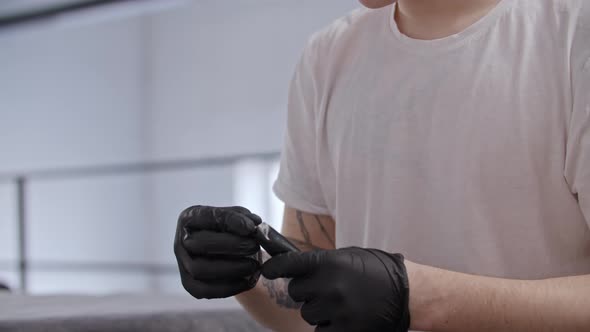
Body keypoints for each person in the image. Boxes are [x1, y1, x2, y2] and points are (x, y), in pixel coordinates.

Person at [174, 0, 590, 331]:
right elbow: (306, 307)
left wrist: (416, 298)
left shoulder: (572, 33)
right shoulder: (327, 58)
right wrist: (245, 273)